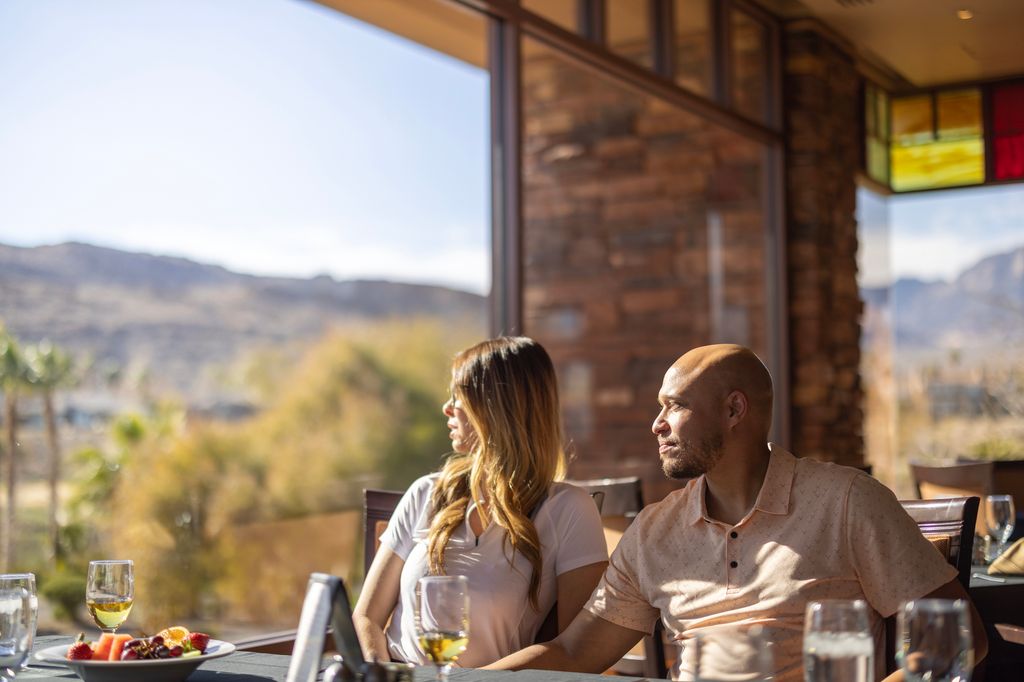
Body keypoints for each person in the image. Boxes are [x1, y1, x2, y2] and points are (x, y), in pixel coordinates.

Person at [488, 343, 987, 681]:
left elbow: (957, 639)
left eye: (675, 405)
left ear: (733, 411)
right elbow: (575, 651)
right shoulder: (653, 531)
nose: (657, 424)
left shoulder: (848, 502)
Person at [353, 336, 608, 667]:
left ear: (496, 409)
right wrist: (380, 675)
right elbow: (366, 617)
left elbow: (576, 651)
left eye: (459, 398)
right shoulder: (427, 493)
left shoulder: (568, 510)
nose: (447, 408)